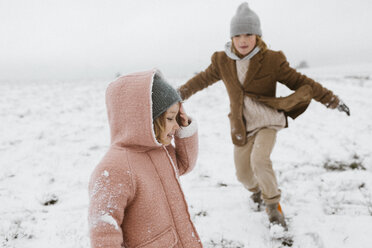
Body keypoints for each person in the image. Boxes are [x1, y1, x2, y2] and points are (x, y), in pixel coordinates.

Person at [178, 2, 347, 228]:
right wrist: (177, 96)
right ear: (232, 37)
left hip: (268, 121)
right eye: (238, 35)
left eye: (249, 34)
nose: (243, 40)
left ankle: (273, 206)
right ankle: (257, 191)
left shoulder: (272, 59)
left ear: (257, 35)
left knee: (260, 161)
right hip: (242, 125)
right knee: (243, 174)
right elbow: (200, 80)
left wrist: (331, 100)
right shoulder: (222, 60)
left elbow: (301, 82)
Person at [88, 69, 202, 248]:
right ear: (145, 120)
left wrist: (185, 127)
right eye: (171, 118)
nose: (176, 126)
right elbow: (103, 230)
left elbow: (184, 164)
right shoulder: (114, 168)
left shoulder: (160, 150)